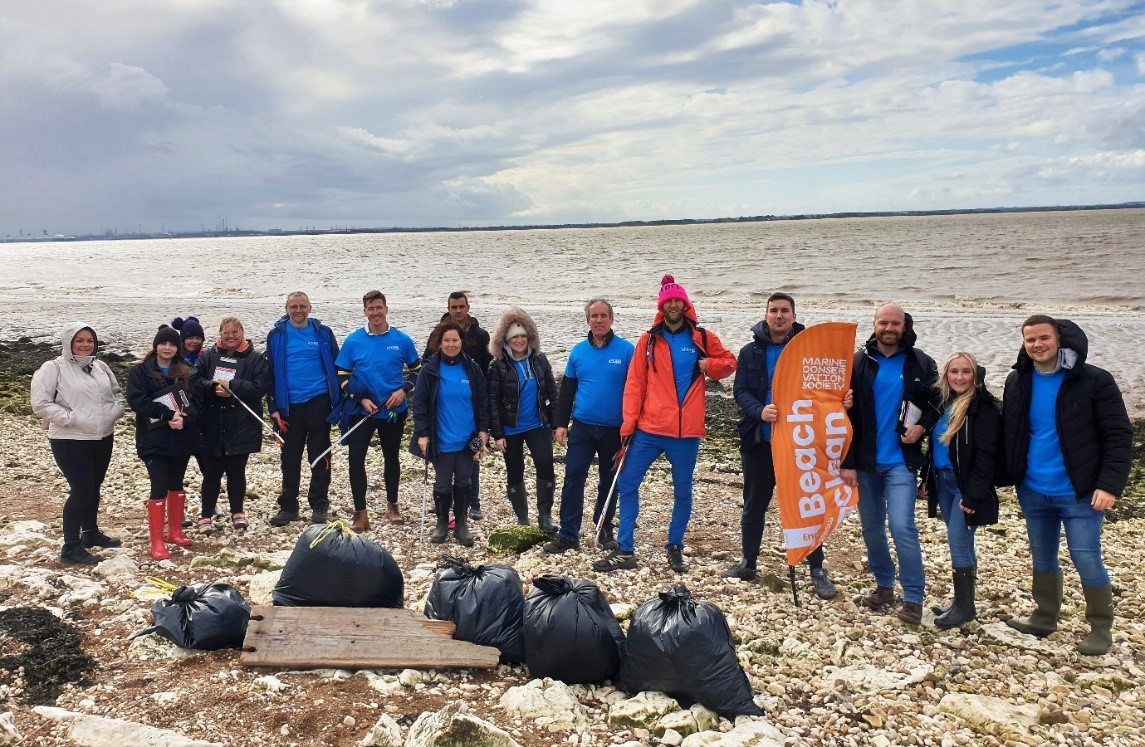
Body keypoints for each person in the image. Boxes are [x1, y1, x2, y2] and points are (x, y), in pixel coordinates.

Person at [1002, 315, 1132, 655]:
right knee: (1042, 556)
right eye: (1030, 340)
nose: (1037, 345)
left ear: (1059, 340)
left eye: (1043, 338)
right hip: (1033, 489)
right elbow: (1011, 434)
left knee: (1086, 557)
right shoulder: (1018, 380)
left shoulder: (1094, 381)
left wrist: (1110, 486)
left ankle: (1101, 628)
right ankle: (1045, 617)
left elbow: (1118, 436)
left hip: (1081, 491)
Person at [593, 275, 736, 574]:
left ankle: (674, 545)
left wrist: (709, 366)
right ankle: (625, 549)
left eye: (677, 300)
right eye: (668, 300)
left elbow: (729, 363)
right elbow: (635, 384)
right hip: (649, 430)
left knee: (682, 491)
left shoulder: (702, 338)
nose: (673, 304)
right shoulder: (648, 341)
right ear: (662, 305)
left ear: (685, 304)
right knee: (627, 482)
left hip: (685, 435)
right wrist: (627, 426)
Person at [724, 293, 839, 599]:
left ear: (793, 315)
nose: (779, 316)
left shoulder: (810, 350)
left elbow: (828, 391)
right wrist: (759, 410)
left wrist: (844, 400)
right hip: (760, 441)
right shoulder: (750, 352)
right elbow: (741, 390)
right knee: (753, 505)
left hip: (800, 444)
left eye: (784, 311)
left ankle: (816, 568)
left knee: (808, 507)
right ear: (766, 315)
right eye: (773, 310)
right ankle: (748, 562)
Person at [841, 303, 939, 625]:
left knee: (901, 527)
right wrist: (847, 461)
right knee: (871, 529)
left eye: (895, 323)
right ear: (875, 324)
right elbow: (844, 414)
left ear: (904, 325)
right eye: (883, 322)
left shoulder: (921, 362)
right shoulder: (858, 362)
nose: (889, 328)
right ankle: (884, 586)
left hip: (901, 463)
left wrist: (923, 425)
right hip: (866, 463)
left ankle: (913, 597)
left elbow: (937, 404)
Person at [918, 352, 1003, 628]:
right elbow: (935, 449)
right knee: (961, 542)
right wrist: (927, 479)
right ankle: (961, 602)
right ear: (946, 376)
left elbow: (987, 457)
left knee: (958, 542)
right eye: (954, 372)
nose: (959, 377)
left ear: (975, 376)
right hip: (943, 481)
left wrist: (974, 495)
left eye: (966, 372)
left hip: (964, 487)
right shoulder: (944, 404)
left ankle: (965, 609)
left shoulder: (983, 408)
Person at [30, 323, 126, 564]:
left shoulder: (101, 367)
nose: (85, 345)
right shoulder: (52, 368)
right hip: (69, 438)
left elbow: (117, 394)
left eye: (90, 341)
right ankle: (70, 546)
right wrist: (72, 419)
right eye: (79, 340)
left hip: (102, 435)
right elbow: (40, 404)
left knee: (95, 485)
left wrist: (115, 412)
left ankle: (90, 533)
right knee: (81, 487)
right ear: (68, 342)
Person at [544, 298, 634, 553]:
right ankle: (568, 534)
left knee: (610, 480)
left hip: (615, 430)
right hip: (582, 427)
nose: (599, 320)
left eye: (603, 315)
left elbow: (637, 390)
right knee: (573, 478)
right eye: (594, 316)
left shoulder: (627, 351)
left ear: (611, 319)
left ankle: (604, 529)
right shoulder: (578, 352)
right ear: (587, 321)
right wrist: (560, 424)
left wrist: (633, 425)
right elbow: (567, 392)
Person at [335, 290, 421, 531]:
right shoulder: (353, 341)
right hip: (363, 411)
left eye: (379, 308)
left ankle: (392, 506)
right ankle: (360, 513)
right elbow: (341, 375)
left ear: (386, 309)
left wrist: (404, 390)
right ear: (365, 311)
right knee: (355, 459)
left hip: (393, 410)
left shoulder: (402, 339)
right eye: (370, 309)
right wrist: (359, 398)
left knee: (391, 458)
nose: (375, 313)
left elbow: (417, 370)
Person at [411, 320, 490, 546]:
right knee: (443, 483)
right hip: (441, 438)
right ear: (439, 343)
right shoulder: (430, 370)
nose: (451, 344)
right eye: (447, 340)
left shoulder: (472, 369)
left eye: (455, 340)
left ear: (461, 342)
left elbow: (482, 401)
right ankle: (442, 523)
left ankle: (462, 523)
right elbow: (420, 405)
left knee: (464, 481)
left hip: (468, 439)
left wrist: (483, 431)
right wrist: (423, 434)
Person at [266, 291, 341, 526]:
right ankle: (288, 507)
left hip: (318, 401)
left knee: (319, 455)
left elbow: (337, 366)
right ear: (286, 309)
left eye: (302, 306)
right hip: (288, 406)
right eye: (293, 306)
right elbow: (270, 373)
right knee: (289, 458)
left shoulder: (323, 333)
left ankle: (319, 504)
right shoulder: (276, 335)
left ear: (310, 308)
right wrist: (273, 406)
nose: (298, 310)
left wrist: (339, 401)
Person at [127, 325, 200, 560]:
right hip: (153, 439)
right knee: (159, 485)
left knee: (177, 484)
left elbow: (198, 403)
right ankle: (157, 541)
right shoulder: (141, 372)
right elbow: (138, 401)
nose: (167, 348)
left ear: (177, 347)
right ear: (156, 346)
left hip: (181, 438)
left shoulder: (188, 371)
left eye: (171, 344)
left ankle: (175, 532)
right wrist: (168, 414)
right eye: (163, 343)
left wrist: (185, 421)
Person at [194, 316, 271, 534]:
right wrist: (212, 387)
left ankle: (238, 512)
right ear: (220, 334)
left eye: (235, 332)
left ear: (242, 333)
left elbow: (260, 387)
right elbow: (195, 381)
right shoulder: (208, 356)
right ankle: (205, 515)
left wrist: (233, 386)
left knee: (237, 472)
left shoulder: (256, 359)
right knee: (211, 473)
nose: (230, 336)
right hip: (211, 424)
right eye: (226, 332)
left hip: (241, 424)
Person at [487, 307, 559, 531]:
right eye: (514, 337)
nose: (519, 340)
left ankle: (545, 516)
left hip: (537, 424)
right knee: (514, 470)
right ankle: (522, 518)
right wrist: (497, 434)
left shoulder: (540, 360)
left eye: (522, 336)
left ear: (530, 337)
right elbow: (492, 402)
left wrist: (557, 424)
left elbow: (552, 392)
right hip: (511, 428)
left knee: (546, 464)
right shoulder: (497, 366)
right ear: (505, 340)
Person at [428, 291, 493, 520]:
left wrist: (485, 401)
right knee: (444, 454)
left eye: (461, 306)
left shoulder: (481, 335)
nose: (457, 311)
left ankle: (473, 501)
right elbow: (428, 364)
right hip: (444, 402)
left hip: (472, 400)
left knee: (472, 451)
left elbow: (487, 368)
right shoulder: (438, 334)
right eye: (453, 307)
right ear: (448, 308)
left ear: (468, 307)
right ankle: (444, 500)